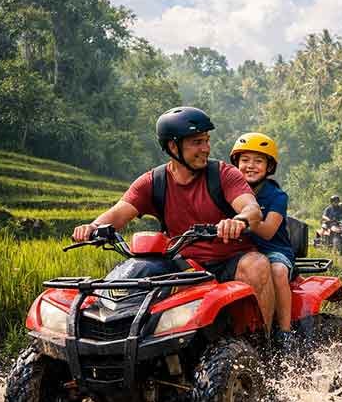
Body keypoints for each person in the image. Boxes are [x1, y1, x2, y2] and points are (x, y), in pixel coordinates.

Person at [72, 106, 276, 329]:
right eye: (197, 142)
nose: (206, 148)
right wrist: (92, 227)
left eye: (207, 141)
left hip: (231, 261)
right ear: (173, 146)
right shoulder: (154, 182)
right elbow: (119, 212)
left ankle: (264, 343)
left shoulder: (224, 174)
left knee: (256, 265)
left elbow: (251, 208)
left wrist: (239, 220)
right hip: (182, 265)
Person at [229, 132, 296, 347]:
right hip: (239, 251)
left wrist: (245, 219)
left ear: (269, 167)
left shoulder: (277, 196)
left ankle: (285, 333)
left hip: (273, 250)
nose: (251, 166)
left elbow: (267, 231)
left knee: (278, 271)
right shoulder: (228, 191)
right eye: (245, 160)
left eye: (258, 161)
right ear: (236, 163)